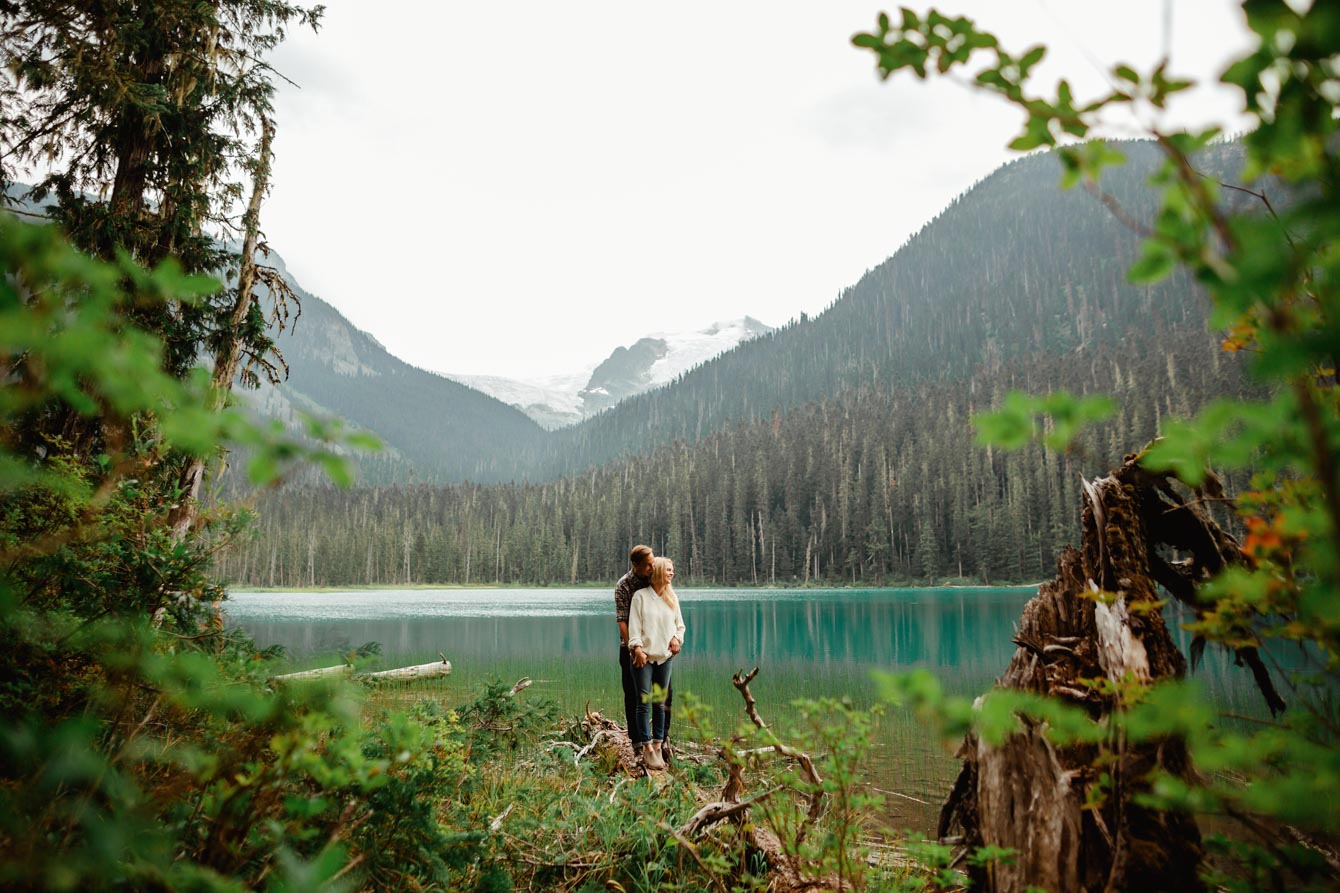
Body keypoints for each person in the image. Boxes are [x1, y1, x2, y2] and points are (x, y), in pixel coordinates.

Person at [627, 556, 685, 770]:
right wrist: (637, 648)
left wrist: (676, 639)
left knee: (660, 703)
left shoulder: (672, 597)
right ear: (659, 571)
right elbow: (634, 627)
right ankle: (647, 748)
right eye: (668, 570)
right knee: (643, 704)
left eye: (673, 570)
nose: (672, 573)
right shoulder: (640, 597)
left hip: (665, 658)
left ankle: (659, 745)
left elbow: (680, 626)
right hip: (644, 658)